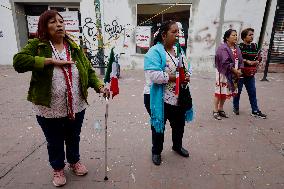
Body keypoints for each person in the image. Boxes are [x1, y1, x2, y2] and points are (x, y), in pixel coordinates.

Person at [13, 10, 110, 187]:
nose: (59, 24)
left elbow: (88, 71)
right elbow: (18, 62)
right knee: (54, 140)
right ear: (44, 26)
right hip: (48, 107)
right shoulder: (38, 45)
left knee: (74, 136)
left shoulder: (74, 46)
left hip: (76, 104)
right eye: (52, 22)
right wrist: (50, 61)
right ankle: (58, 168)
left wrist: (100, 87)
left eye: (61, 21)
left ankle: (74, 161)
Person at [144, 20, 193, 166]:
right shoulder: (154, 52)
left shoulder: (178, 49)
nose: (178, 35)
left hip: (178, 97)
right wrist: (177, 78)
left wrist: (187, 74)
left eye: (179, 32)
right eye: (174, 32)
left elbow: (186, 66)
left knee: (179, 124)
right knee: (159, 126)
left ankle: (177, 146)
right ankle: (156, 152)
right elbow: (154, 76)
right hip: (158, 98)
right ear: (164, 35)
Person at [233, 28, 267, 118]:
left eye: (252, 35)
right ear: (244, 37)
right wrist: (247, 61)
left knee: (252, 92)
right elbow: (236, 59)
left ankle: (255, 110)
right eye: (250, 35)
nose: (252, 37)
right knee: (237, 92)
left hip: (250, 74)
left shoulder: (254, 46)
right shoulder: (239, 47)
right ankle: (235, 107)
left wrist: (256, 62)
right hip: (240, 74)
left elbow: (258, 57)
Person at [213, 29, 243, 120]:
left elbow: (241, 60)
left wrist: (240, 69)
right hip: (223, 73)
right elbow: (225, 62)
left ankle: (221, 109)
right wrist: (235, 71)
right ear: (227, 37)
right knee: (219, 91)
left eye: (236, 35)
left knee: (226, 91)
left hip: (233, 73)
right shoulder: (223, 48)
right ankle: (215, 110)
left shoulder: (236, 47)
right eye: (233, 35)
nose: (235, 37)